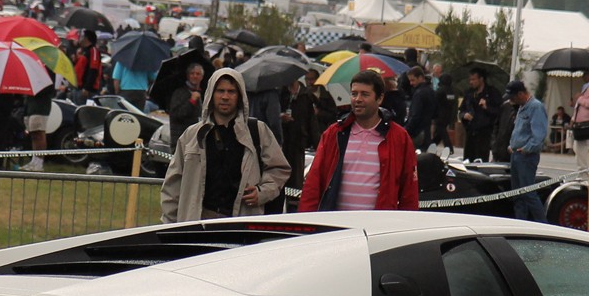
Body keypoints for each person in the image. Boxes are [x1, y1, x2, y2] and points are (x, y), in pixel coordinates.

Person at [161, 68, 291, 222]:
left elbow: (279, 169)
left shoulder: (257, 131)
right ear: (210, 94)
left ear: (240, 96)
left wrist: (262, 192)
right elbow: (173, 185)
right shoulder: (192, 135)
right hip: (198, 223)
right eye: (220, 91)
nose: (225, 97)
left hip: (242, 224)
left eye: (231, 92)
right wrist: (170, 226)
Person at [299, 70, 419, 212]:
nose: (358, 99)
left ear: (379, 99)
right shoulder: (334, 134)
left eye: (365, 94)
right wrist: (307, 221)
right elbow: (314, 182)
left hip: (378, 228)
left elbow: (409, 191)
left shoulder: (399, 137)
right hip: (337, 226)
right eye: (354, 93)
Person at [505, 79, 549, 222]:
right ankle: (520, 223)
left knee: (528, 193)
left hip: (526, 157)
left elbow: (539, 135)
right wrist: (512, 146)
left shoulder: (536, 107)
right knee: (517, 195)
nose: (511, 100)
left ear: (521, 94)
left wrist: (526, 149)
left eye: (512, 97)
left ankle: (544, 225)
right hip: (516, 154)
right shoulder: (521, 107)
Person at [459, 68, 500, 161]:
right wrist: (464, 115)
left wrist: (487, 107)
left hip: (484, 133)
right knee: (468, 160)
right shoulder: (469, 93)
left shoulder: (492, 93)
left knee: (480, 160)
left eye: (473, 79)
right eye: (470, 79)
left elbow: (498, 112)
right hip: (470, 132)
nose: (471, 82)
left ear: (481, 79)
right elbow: (462, 109)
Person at [167, 61, 207, 146]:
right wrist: (191, 101)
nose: (195, 76)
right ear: (188, 76)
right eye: (192, 73)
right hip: (181, 140)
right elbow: (176, 115)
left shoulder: (203, 94)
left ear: (202, 77)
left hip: (196, 140)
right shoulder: (179, 93)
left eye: (198, 74)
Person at [20, 84, 54, 171]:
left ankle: (39, 162)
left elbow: (49, 89)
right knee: (34, 134)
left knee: (39, 133)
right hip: (30, 107)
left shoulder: (47, 76)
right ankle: (34, 160)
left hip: (40, 108)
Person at [404, 64, 437, 152]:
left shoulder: (419, 94)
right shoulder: (431, 91)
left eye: (413, 80)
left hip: (417, 132)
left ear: (421, 77)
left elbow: (415, 115)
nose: (411, 83)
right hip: (426, 131)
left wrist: (406, 130)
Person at [73, 31, 103, 99]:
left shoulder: (93, 50)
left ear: (86, 38)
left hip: (86, 90)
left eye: (82, 37)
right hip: (78, 87)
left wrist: (87, 88)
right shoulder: (84, 51)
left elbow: (93, 70)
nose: (80, 39)